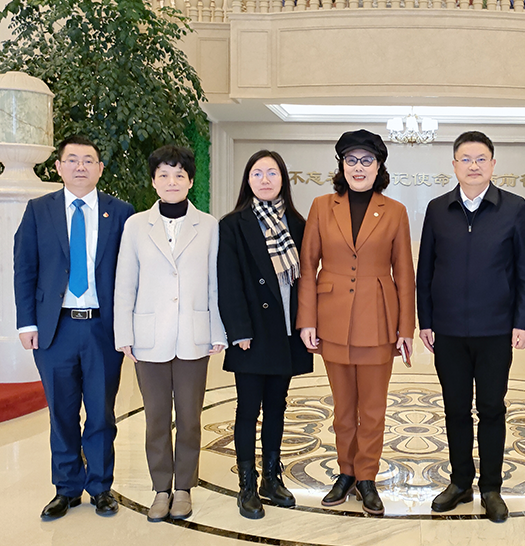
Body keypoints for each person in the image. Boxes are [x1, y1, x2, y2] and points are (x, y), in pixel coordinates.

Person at [416, 131, 525, 523]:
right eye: (465, 159)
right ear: (454, 165)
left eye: (481, 159)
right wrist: (425, 320)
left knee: (491, 408)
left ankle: (491, 488)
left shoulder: (514, 208)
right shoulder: (438, 209)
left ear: (493, 164)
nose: (473, 166)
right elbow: (425, 269)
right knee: (455, 409)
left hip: (496, 330)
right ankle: (460, 482)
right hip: (448, 330)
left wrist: (523, 321)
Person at [14, 135, 134, 520]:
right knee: (61, 413)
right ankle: (66, 488)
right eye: (72, 159)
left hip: (103, 329)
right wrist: (26, 322)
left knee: (101, 413)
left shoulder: (120, 212)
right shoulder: (39, 210)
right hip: (55, 329)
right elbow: (24, 268)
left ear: (100, 168)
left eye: (88, 160)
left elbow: (131, 273)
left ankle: (100, 487)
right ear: (58, 167)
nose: (80, 166)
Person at [297, 129, 415, 516]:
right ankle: (345, 472)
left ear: (379, 167)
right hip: (331, 319)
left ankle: (367, 476)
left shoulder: (394, 211)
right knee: (343, 409)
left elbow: (405, 273)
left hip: (378, 320)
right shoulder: (321, 206)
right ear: (341, 165)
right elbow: (308, 266)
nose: (358, 167)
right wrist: (307, 320)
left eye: (367, 160)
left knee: (374, 409)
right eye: (351, 160)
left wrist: (406, 329)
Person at [114, 145, 226, 522]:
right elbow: (125, 283)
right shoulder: (136, 225)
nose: (172, 181)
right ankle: (161, 488)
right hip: (149, 336)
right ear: (153, 181)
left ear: (190, 181)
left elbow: (214, 282)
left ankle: (183, 488)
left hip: (194, 334)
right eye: (163, 174)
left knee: (191, 418)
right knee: (156, 417)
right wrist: (124, 333)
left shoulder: (208, 225)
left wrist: (217, 329)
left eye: (179, 175)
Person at [217, 150, 313, 519]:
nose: (265, 180)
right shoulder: (233, 224)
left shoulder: (298, 224)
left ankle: (272, 478)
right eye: (257, 173)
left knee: (277, 406)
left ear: (283, 179)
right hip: (252, 333)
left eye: (272, 173)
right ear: (248, 180)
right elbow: (229, 282)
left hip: (286, 330)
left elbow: (308, 278)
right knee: (247, 409)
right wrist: (239, 329)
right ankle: (247, 485)